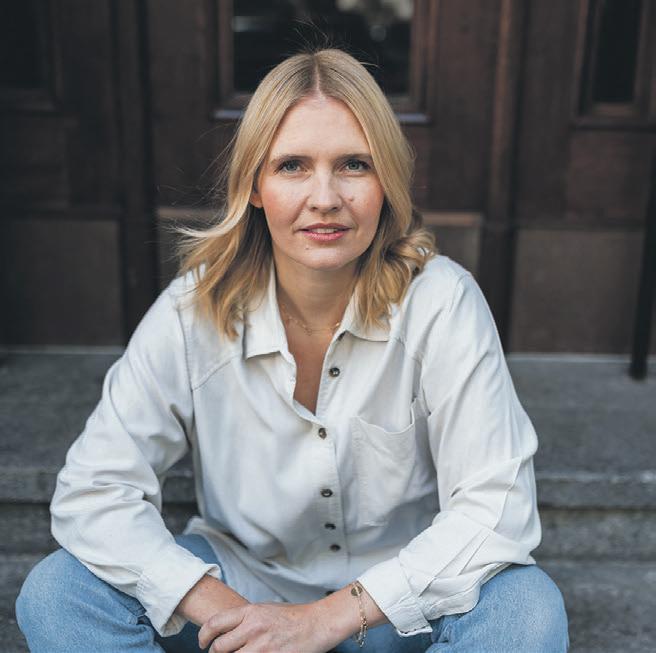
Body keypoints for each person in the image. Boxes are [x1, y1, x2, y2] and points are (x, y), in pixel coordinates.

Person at [15, 47, 569, 652]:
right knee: (59, 592)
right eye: (293, 166)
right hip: (243, 591)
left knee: (525, 609)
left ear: (386, 180)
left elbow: (497, 506)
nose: (325, 197)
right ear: (255, 185)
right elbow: (95, 490)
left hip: (394, 604)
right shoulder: (192, 311)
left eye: (354, 164)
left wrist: (322, 621)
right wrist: (245, 621)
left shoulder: (441, 301)